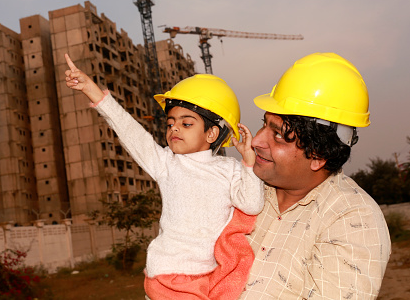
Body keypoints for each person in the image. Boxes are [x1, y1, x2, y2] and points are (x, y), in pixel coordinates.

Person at [64, 54, 264, 299]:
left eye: (186, 123)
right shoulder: (167, 163)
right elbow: (130, 131)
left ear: (212, 133)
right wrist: (92, 91)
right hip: (168, 275)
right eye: (170, 124)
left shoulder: (231, 168)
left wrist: (248, 165)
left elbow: (252, 204)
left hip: (209, 275)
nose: (174, 128)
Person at [236, 52, 391, 299]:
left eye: (278, 135)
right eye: (264, 124)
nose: (256, 141)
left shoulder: (352, 219)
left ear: (318, 155)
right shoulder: (243, 189)